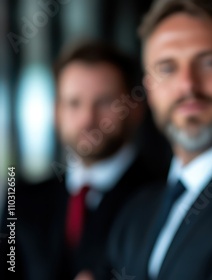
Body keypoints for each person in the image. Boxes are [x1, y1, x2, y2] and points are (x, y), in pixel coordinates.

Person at [104, 0, 212, 279]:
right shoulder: (135, 211)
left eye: (209, 62)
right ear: (149, 89)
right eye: (167, 68)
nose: (188, 85)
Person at [1, 40, 167, 280]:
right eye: (74, 103)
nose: (88, 118)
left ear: (136, 109)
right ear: (56, 112)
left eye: (104, 102)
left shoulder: (162, 196)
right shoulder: (21, 199)